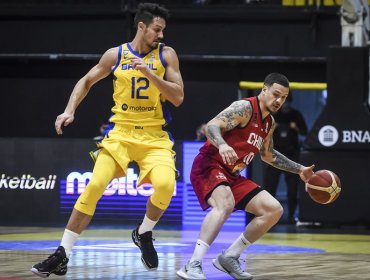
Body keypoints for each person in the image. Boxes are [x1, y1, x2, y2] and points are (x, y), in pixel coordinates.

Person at [31, 3, 184, 277]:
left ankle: (144, 232)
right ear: (142, 26)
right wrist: (69, 110)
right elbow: (87, 80)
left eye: (163, 30)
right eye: (157, 30)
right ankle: (62, 254)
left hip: (154, 136)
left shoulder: (167, 55)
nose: (161, 35)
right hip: (120, 134)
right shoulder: (116, 54)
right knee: (95, 186)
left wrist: (150, 73)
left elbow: (178, 97)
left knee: (166, 186)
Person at [177, 73, 314, 280]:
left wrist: (299, 169)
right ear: (264, 89)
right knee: (225, 204)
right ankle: (192, 264)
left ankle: (229, 257)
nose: (279, 101)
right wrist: (222, 144)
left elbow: (268, 155)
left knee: (273, 210)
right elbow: (212, 125)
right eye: (276, 94)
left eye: (283, 97)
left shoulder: (269, 123)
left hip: (232, 174)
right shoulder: (245, 108)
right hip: (209, 165)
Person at [263, 94, 308, 223]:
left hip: (291, 154)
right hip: (274, 155)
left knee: (292, 189)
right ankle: (267, 215)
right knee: (270, 185)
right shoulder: (273, 114)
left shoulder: (296, 114)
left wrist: (296, 128)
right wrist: (272, 129)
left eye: (287, 101)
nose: (285, 104)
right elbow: (263, 133)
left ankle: (291, 216)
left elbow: (305, 132)